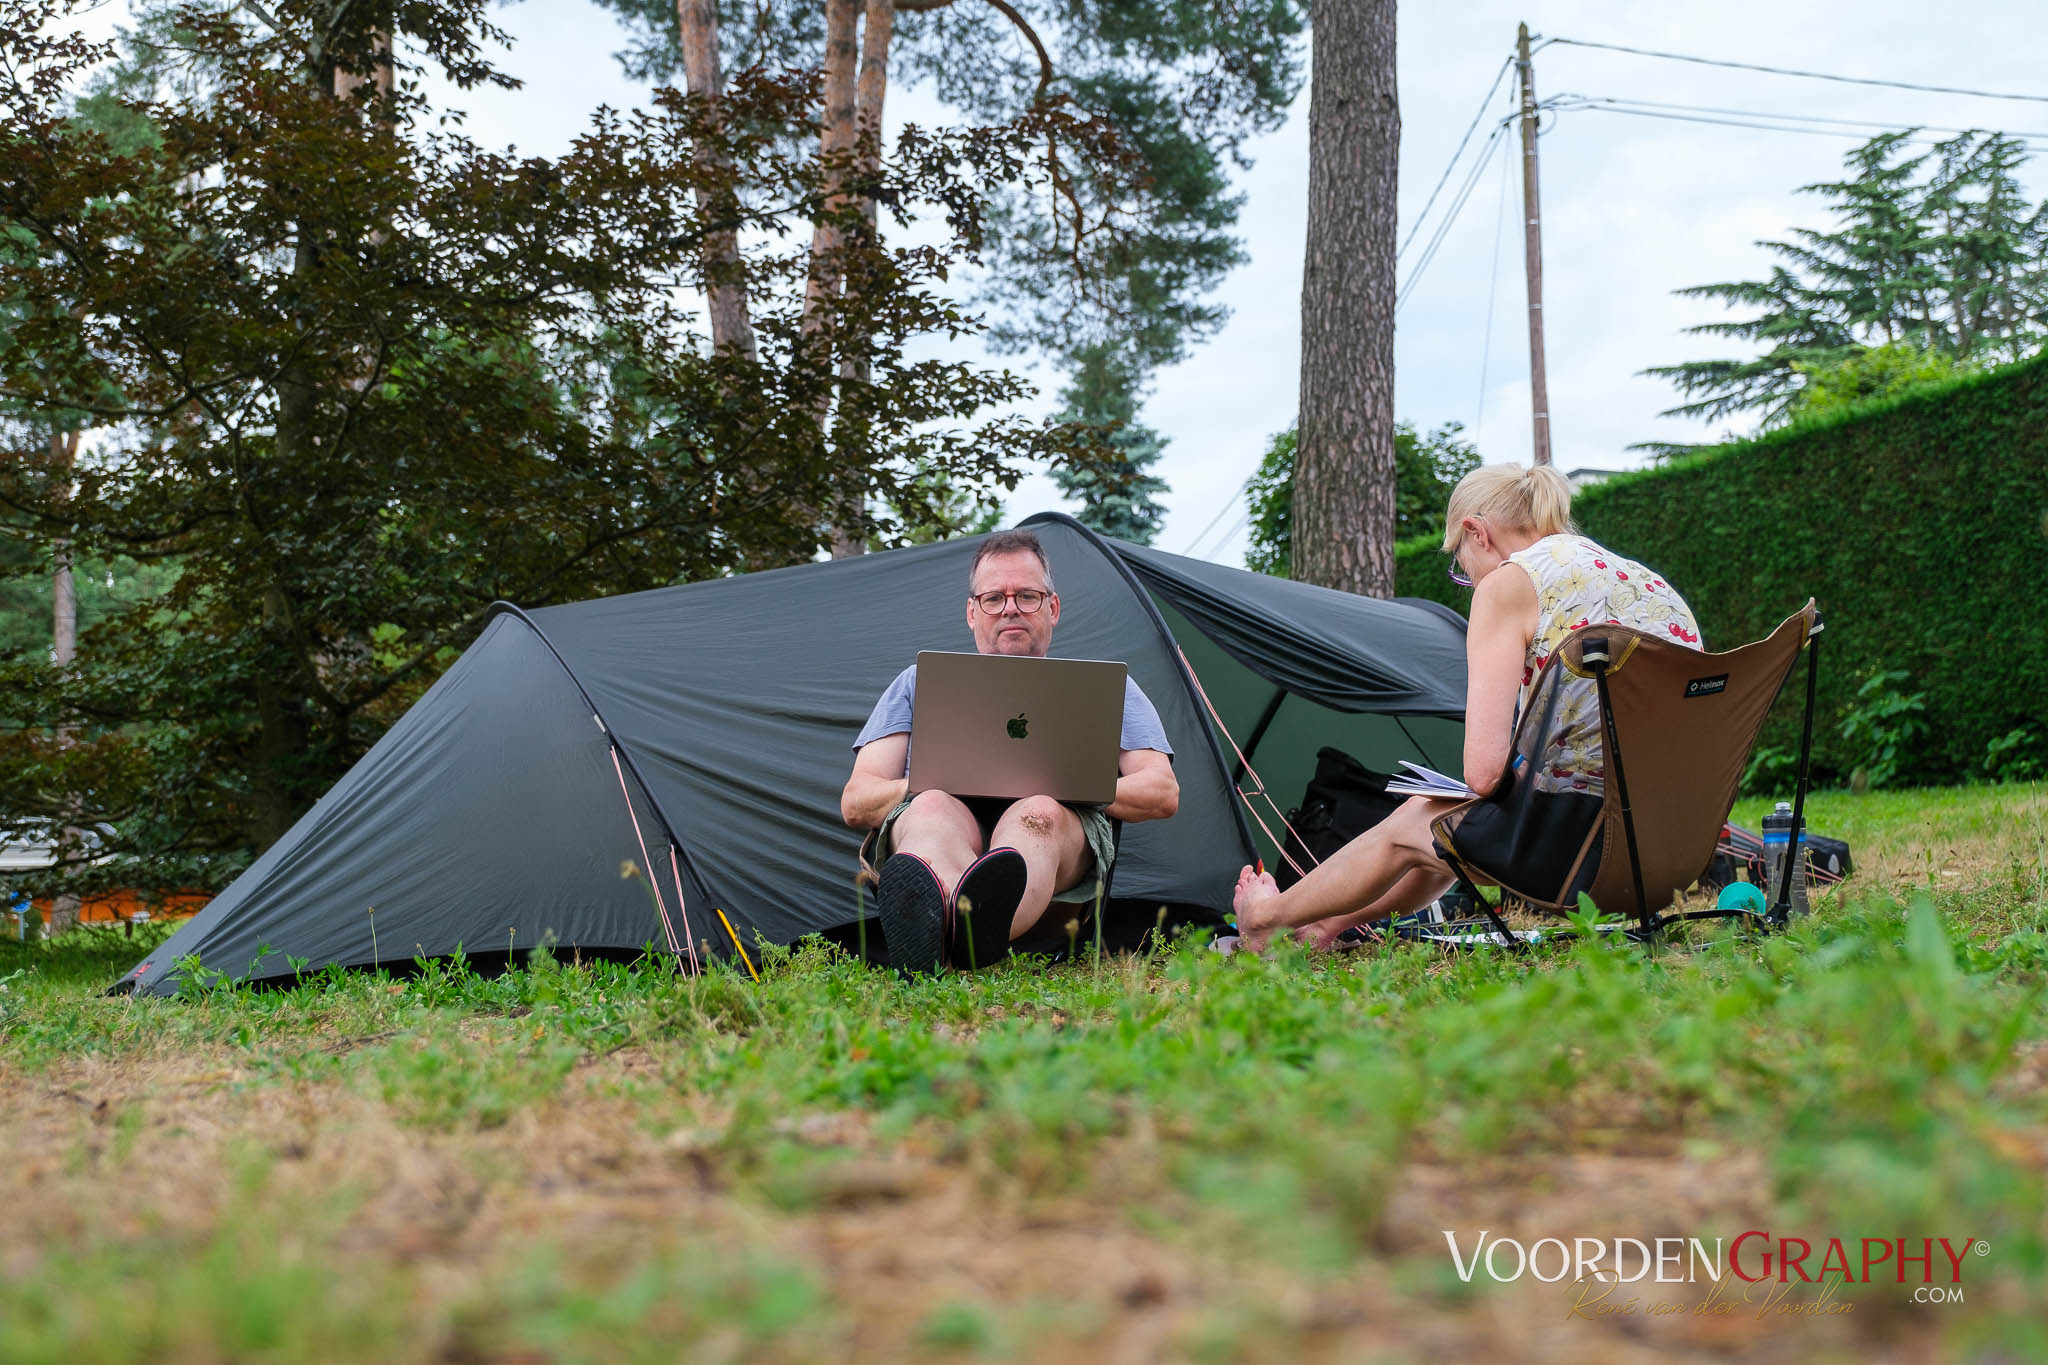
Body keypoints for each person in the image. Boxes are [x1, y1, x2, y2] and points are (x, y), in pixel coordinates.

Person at [1230, 463, 1703, 950]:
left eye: (1461, 562)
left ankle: (1266, 918)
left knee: (1418, 817)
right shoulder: (1653, 587)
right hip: (1675, 843)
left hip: (1581, 853)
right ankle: (1324, 926)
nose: (1469, 579)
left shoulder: (1511, 582)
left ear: (1477, 532)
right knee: (1450, 824)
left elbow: (1483, 774)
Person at [842, 529, 1180, 971]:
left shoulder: (1105, 689)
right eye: (993, 598)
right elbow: (856, 801)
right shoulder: (916, 683)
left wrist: (1073, 784)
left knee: (1037, 809)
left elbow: (1162, 791)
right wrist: (929, 779)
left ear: (1053, 608)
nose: (1010, 609)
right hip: (943, 820)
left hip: (1057, 838)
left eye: (1027, 596)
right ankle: (959, 927)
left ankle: (944, 930)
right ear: (971, 611)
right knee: (930, 808)